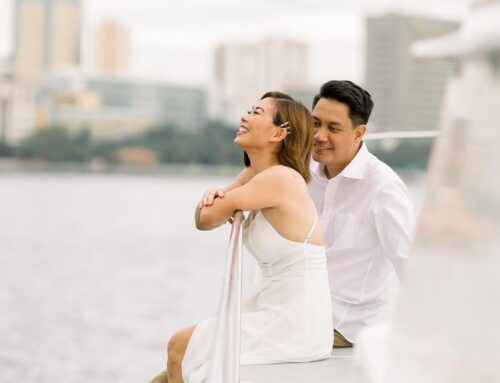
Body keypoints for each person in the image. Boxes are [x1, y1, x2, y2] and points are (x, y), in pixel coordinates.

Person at [152, 92, 333, 383]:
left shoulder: (281, 179)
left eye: (256, 112)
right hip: (276, 310)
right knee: (184, 351)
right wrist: (210, 198)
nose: (244, 117)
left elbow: (210, 214)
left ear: (279, 132)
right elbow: (205, 219)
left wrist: (213, 197)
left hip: (296, 320)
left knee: (180, 345)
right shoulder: (255, 174)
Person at [308, 80, 416, 347]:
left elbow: (410, 265)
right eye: (315, 124)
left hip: (345, 325)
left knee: (223, 343)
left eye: (333, 128)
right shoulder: (304, 175)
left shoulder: (383, 188)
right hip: (302, 309)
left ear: (359, 133)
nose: (320, 136)